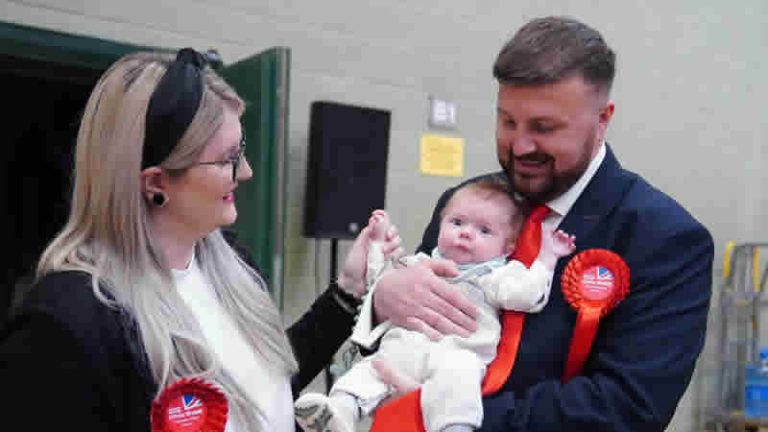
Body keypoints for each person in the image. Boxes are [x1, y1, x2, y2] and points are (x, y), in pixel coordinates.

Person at [0, 48, 410, 432]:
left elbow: (263, 386)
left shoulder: (231, 261)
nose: (245, 171)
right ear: (155, 183)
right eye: (227, 159)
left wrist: (351, 290)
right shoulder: (67, 324)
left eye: (241, 150)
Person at [367, 16, 714, 431]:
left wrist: (443, 416)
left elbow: (625, 409)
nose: (520, 145)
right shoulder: (467, 204)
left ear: (602, 119)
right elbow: (412, 323)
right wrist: (380, 301)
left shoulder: (665, 238)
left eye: (543, 128)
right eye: (507, 122)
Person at [294, 179, 576, 432]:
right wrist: (378, 244)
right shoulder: (420, 265)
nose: (466, 233)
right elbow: (378, 278)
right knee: (367, 371)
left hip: (458, 352)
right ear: (440, 226)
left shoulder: (497, 275)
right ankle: (339, 414)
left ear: (507, 246)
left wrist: (547, 259)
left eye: (484, 230)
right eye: (457, 223)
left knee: (459, 383)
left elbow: (527, 295)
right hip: (404, 347)